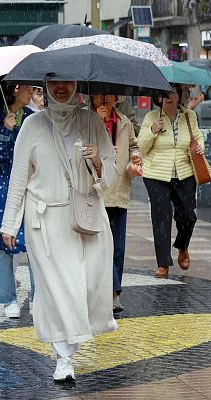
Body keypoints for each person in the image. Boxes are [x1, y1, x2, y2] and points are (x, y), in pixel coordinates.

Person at [0, 81, 118, 382]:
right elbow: (18, 178)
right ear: (46, 84)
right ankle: (63, 358)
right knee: (57, 290)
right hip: (46, 222)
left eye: (67, 81)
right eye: (54, 81)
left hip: (87, 216)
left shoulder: (91, 122)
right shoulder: (32, 125)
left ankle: (71, 341)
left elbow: (112, 176)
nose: (61, 87)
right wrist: (9, 223)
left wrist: (98, 165)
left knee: (89, 286)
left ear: (77, 83)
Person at [0, 81, 35, 319]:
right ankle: (8, 298)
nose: (32, 92)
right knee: (4, 246)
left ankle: (38, 297)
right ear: (15, 89)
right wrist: (5, 131)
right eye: (28, 88)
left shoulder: (33, 118)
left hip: (30, 186)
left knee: (35, 243)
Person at [138, 84, 205, 279]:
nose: (169, 97)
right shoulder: (152, 117)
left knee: (188, 215)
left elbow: (198, 138)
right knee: (161, 216)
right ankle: (163, 263)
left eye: (173, 92)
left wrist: (199, 147)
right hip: (156, 174)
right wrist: (152, 130)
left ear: (179, 96)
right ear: (158, 97)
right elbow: (141, 146)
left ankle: (182, 246)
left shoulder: (189, 116)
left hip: (184, 172)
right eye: (164, 93)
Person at [90, 93, 141, 313]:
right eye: (99, 95)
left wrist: (135, 157)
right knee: (102, 244)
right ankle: (112, 292)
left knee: (118, 247)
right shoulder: (84, 119)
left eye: (108, 94)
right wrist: (97, 124)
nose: (104, 99)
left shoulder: (124, 121)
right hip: (96, 191)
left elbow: (133, 146)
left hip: (119, 190)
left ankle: (113, 291)